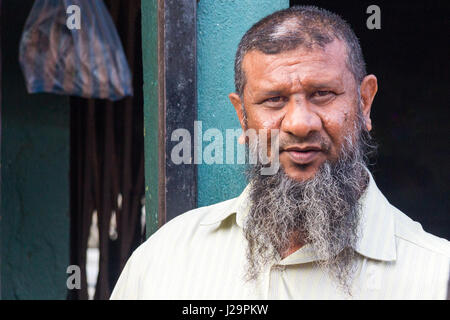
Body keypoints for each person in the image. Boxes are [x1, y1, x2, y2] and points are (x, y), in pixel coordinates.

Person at [110, 6, 450, 299]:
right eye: (274, 100)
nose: (300, 124)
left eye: (322, 93)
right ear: (243, 117)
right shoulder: (164, 260)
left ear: (364, 102)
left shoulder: (436, 278)